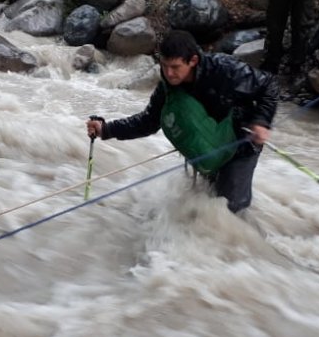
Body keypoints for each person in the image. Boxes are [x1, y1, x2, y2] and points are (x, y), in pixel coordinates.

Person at [86, 30, 278, 213]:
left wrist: (262, 121)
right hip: (205, 148)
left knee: (230, 208)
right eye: (164, 65)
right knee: (208, 200)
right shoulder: (168, 89)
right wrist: (106, 129)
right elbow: (148, 122)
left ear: (193, 60)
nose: (169, 73)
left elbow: (269, 85)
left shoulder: (224, 69)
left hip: (241, 144)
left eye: (175, 67)